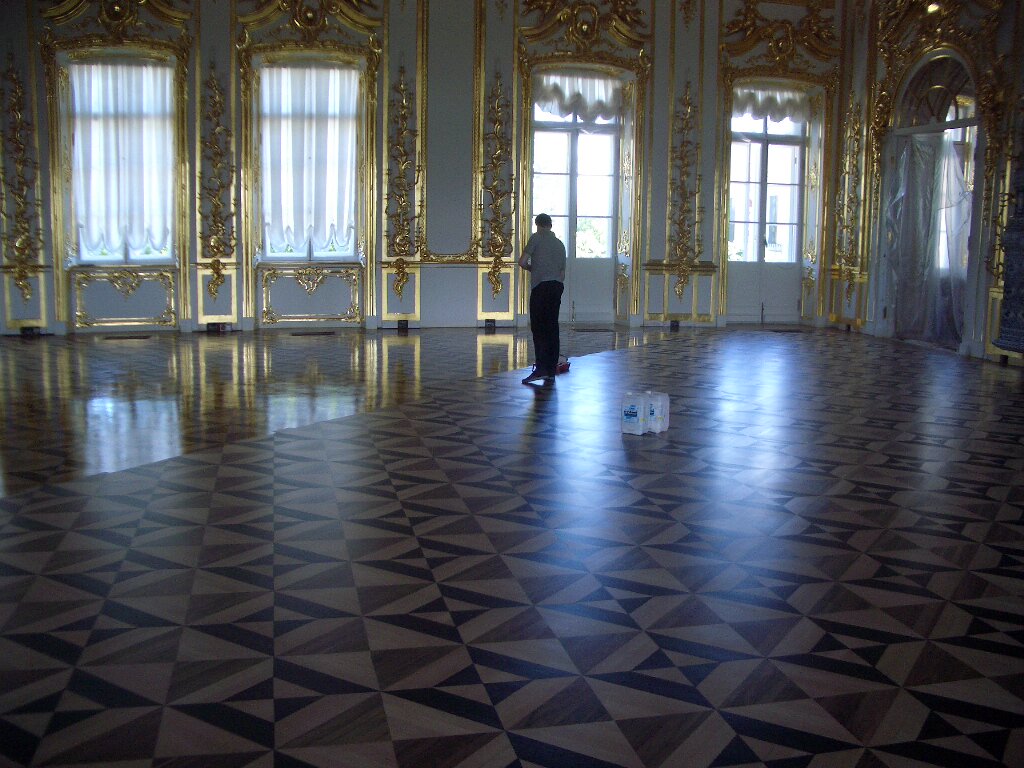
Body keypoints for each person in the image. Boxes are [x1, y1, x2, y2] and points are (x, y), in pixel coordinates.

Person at [518, 213, 566, 384]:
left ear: (537, 225)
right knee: (552, 328)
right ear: (550, 225)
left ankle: (541, 370)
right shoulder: (560, 244)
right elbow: (562, 273)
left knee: (539, 329)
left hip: (541, 287)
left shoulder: (536, 238)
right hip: (556, 287)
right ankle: (551, 370)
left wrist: (533, 269)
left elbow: (522, 262)